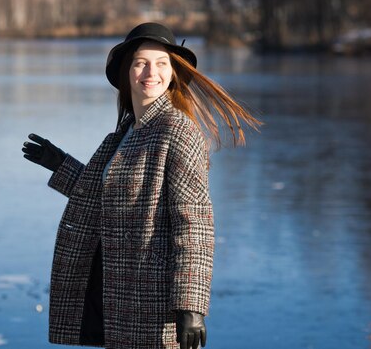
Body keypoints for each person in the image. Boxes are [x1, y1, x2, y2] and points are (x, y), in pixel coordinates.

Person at [22, 22, 260, 349]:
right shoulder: (125, 133)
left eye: (161, 63)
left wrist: (191, 307)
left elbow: (194, 225)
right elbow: (112, 197)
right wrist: (60, 164)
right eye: (141, 63)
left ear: (173, 73)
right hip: (119, 299)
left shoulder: (178, 132)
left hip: (155, 307)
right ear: (127, 72)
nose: (152, 72)